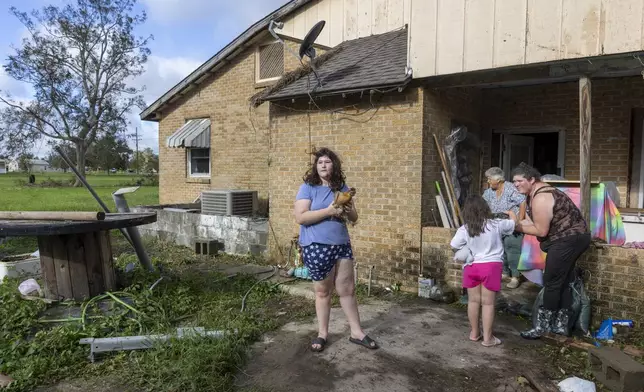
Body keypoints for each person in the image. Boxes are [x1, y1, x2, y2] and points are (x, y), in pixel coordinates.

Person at [293, 147, 378, 352]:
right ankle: (322, 333)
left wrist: (349, 211)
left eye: (327, 162)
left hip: (341, 245)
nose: (323, 165)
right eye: (320, 162)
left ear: (334, 165)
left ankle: (356, 332)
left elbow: (355, 218)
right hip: (317, 245)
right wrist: (329, 210)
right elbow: (301, 217)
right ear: (316, 166)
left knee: (347, 289)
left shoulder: (341, 187)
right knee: (323, 292)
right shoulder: (308, 187)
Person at [512, 163, 591, 339]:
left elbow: (540, 231)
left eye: (519, 180)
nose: (516, 184)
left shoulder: (541, 197)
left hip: (569, 239)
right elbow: (531, 224)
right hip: (571, 238)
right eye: (514, 181)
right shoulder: (534, 194)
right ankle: (561, 326)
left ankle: (543, 327)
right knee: (562, 281)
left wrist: (516, 227)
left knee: (552, 281)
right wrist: (509, 223)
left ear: (532, 180)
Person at [450, 195, 518, 348]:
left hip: (471, 266)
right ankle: (488, 339)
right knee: (488, 304)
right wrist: (512, 214)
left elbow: (453, 244)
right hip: (491, 267)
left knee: (473, 301)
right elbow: (514, 224)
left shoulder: (465, 228)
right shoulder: (496, 225)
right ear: (485, 209)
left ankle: (474, 333)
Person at [482, 167, 526, 289]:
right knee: (500, 249)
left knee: (512, 249)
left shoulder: (510, 188)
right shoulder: (489, 191)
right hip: (495, 223)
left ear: (499, 179)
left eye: (490, 179)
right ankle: (505, 272)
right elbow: (483, 202)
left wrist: (520, 221)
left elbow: (522, 201)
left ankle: (515, 276)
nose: (488, 181)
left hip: (510, 222)